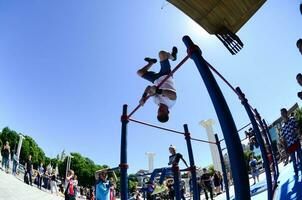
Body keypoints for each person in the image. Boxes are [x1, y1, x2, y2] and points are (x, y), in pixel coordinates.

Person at [137, 47, 178, 123]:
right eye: (162, 111)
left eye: (159, 111)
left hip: (155, 79)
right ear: (168, 112)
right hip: (166, 75)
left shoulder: (156, 102)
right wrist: (158, 91)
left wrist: (144, 97)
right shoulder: (171, 103)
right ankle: (173, 57)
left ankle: (151, 63)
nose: (160, 109)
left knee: (139, 73)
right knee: (162, 53)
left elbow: (149, 87)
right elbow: (173, 95)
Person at [280, 108, 302, 176]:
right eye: (282, 114)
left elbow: (297, 128)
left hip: (296, 141)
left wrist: (297, 133)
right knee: (294, 161)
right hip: (290, 145)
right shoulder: (283, 126)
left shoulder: (292, 119)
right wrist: (285, 148)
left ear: (286, 113)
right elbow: (283, 138)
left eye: (284, 113)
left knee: (301, 157)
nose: (283, 115)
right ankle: (296, 173)